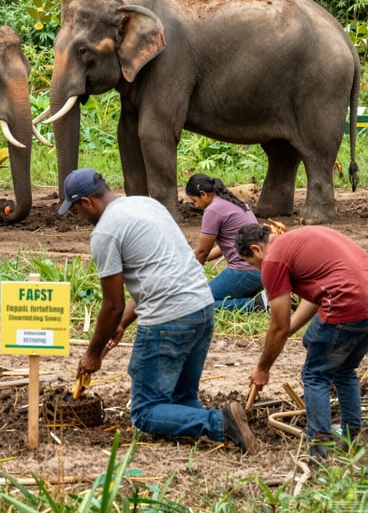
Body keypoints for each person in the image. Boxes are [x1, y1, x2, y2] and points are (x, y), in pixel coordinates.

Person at [60, 168, 256, 453]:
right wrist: (122, 326)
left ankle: (221, 423)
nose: (78, 217)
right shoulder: (146, 204)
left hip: (169, 319)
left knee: (145, 411)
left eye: (76, 210)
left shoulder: (105, 232)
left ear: (87, 202)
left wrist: (92, 354)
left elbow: (112, 304)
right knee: (181, 397)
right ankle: (207, 428)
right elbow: (158, 276)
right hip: (201, 307)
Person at [236, 222, 368, 458]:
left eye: (251, 264)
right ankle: (351, 435)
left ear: (256, 249)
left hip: (346, 302)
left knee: (315, 374)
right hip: (362, 301)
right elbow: (315, 298)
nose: (257, 269)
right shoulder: (299, 238)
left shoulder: (273, 261)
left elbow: (278, 325)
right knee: (343, 367)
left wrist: (263, 368)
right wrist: (286, 332)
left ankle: (319, 447)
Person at [185, 174, 265, 312]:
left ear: (203, 194)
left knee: (197, 303)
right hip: (261, 271)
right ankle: (261, 298)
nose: (196, 205)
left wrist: (184, 274)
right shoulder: (234, 202)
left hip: (244, 271)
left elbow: (202, 253)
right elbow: (222, 248)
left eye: (194, 200)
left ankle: (257, 305)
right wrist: (191, 256)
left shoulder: (213, 210)